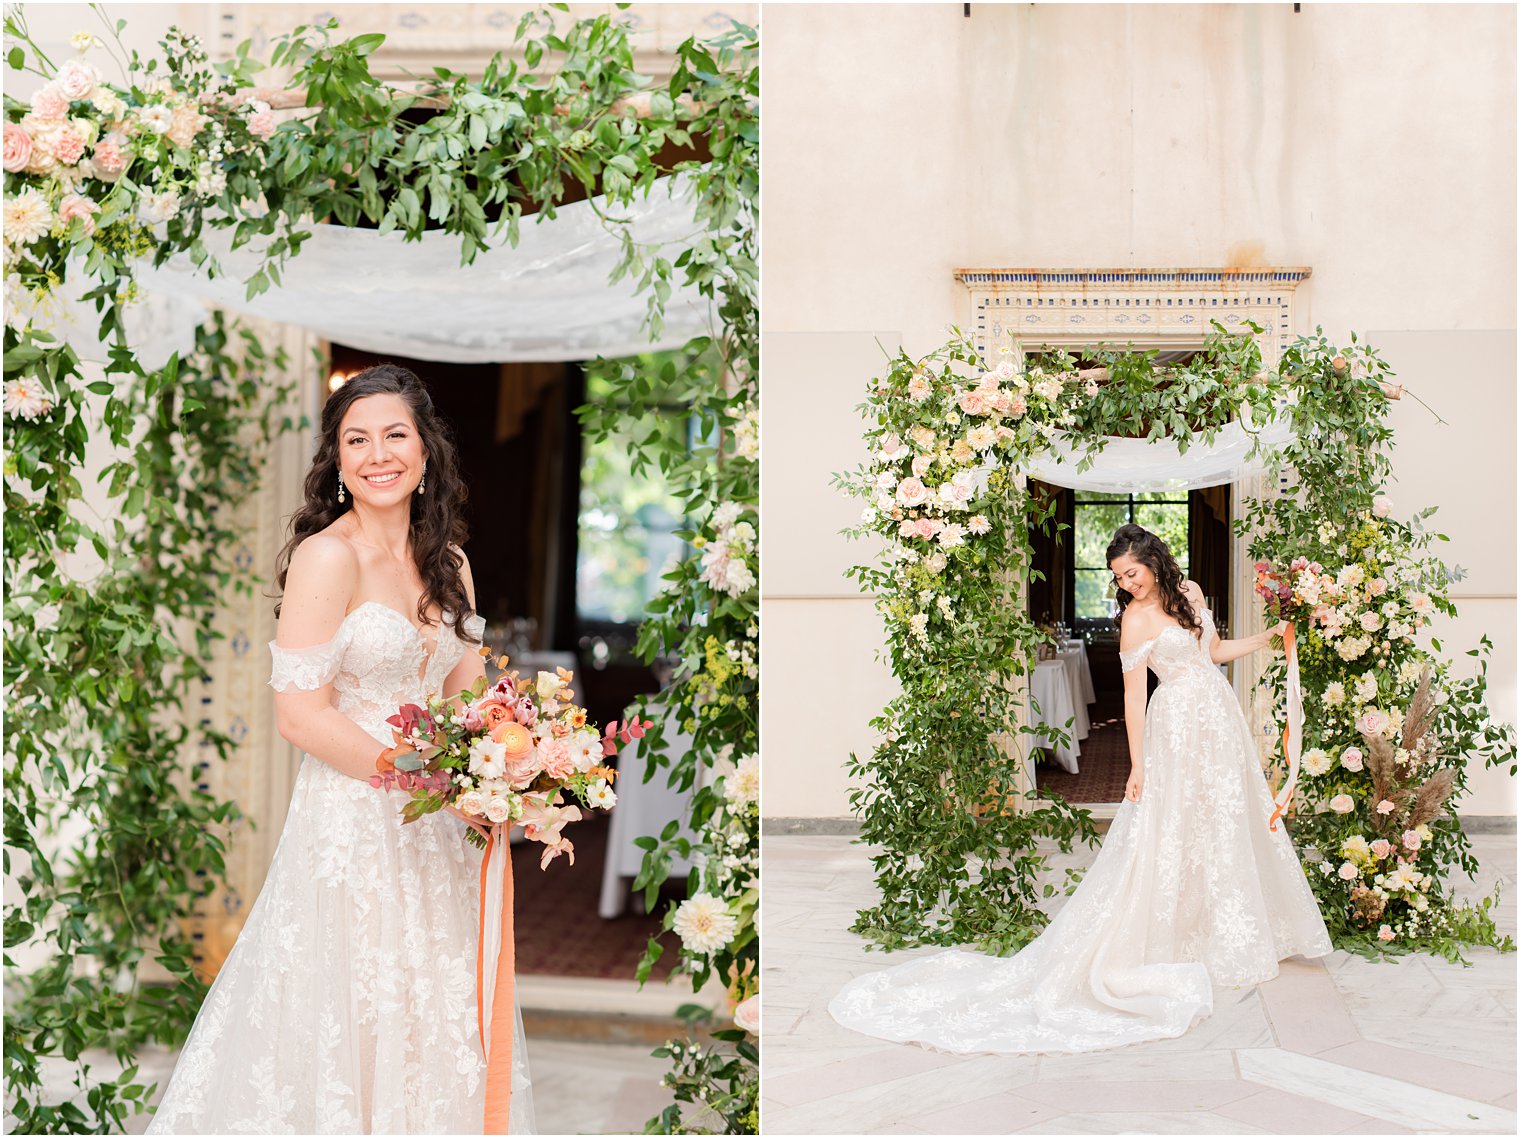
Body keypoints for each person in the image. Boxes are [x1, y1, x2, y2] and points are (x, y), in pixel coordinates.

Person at [148, 364, 535, 1133]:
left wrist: (513, 761)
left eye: (395, 434)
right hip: (354, 824)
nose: (377, 453)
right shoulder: (328, 557)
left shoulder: (449, 563)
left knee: (431, 1010)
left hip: (440, 835)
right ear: (336, 459)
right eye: (356, 439)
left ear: (427, 452)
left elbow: (465, 700)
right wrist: (428, 779)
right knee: (350, 1010)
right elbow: (300, 714)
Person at [829, 522, 1331, 1055]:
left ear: (1154, 561)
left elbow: (1215, 651)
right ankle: (1173, 934)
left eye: (1131, 573)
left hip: (1218, 721)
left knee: (1225, 820)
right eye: (1118, 576)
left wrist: (1270, 638)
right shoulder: (1134, 621)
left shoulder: (1190, 595)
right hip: (1177, 726)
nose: (1127, 583)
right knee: (1173, 827)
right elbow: (1134, 700)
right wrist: (1138, 764)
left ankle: (1228, 929)